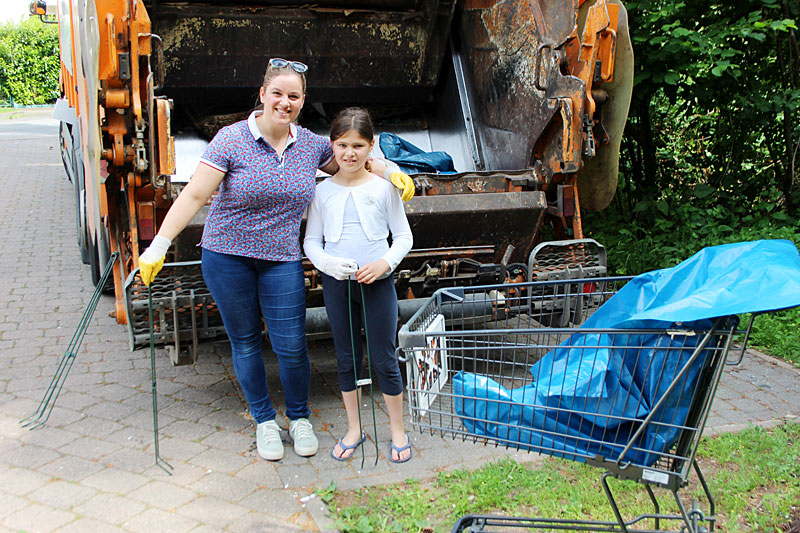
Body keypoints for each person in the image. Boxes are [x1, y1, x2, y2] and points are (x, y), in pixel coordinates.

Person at [136, 59, 414, 462]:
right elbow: (195, 196)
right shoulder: (231, 140)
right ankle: (265, 421)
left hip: (281, 258)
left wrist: (392, 171)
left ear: (302, 102)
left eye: (294, 96)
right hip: (228, 256)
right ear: (263, 94)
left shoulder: (312, 146)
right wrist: (159, 244)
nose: (285, 103)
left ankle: (299, 418)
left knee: (291, 345)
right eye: (278, 94)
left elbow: (356, 158)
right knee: (246, 341)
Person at [303, 107, 414, 463]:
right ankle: (354, 428)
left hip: (377, 285)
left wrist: (385, 263)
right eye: (342, 145)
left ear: (371, 147)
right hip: (339, 286)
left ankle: (397, 429)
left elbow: (402, 236)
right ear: (332, 146)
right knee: (347, 357)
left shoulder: (384, 189)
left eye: (358, 145)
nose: (349, 153)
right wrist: (327, 264)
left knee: (383, 357)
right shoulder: (322, 192)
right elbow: (311, 242)